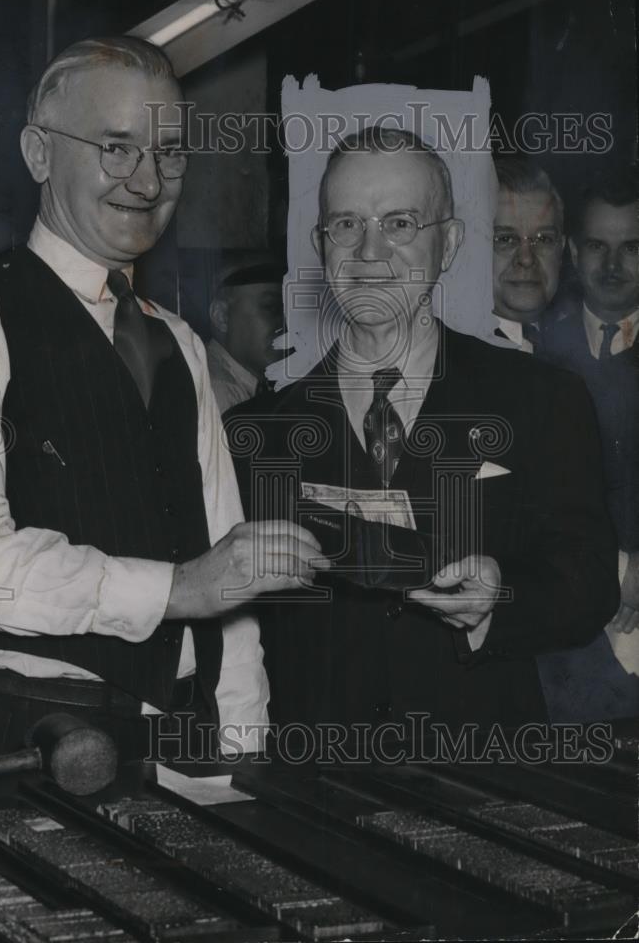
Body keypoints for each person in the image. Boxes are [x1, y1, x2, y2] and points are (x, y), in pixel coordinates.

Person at [0, 36, 324, 765]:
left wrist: (245, 749)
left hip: (172, 743)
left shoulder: (176, 341)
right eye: (115, 148)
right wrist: (175, 589)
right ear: (37, 153)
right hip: (21, 741)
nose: (147, 181)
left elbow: (228, 578)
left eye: (169, 152)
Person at [227, 127, 618, 741]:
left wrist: (502, 597)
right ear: (319, 245)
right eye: (347, 225)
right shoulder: (253, 434)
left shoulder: (540, 400)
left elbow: (591, 585)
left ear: (451, 244)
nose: (370, 252)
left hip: (488, 779)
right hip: (318, 793)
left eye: (400, 224)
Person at [537, 173, 639, 719]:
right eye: (598, 246)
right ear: (574, 253)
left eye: (632, 248)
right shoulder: (534, 354)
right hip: (566, 654)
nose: (614, 266)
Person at [491, 156, 565, 353]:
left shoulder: (582, 348)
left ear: (561, 250)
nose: (526, 258)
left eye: (543, 239)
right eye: (505, 239)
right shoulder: (450, 356)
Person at [207, 261, 288, 413]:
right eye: (271, 307)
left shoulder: (253, 385)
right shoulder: (217, 392)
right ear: (221, 316)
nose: (286, 323)